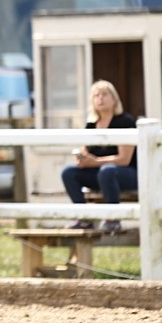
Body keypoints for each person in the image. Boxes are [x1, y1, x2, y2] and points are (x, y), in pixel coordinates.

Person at [61, 80, 137, 233]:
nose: (100, 98)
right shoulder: (91, 124)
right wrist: (82, 159)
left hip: (126, 174)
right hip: (100, 174)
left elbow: (124, 159)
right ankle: (84, 218)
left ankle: (112, 219)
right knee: (69, 172)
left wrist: (94, 162)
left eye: (104, 94)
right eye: (96, 95)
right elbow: (85, 152)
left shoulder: (124, 121)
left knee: (107, 171)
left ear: (114, 99)